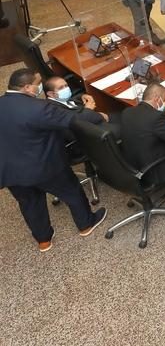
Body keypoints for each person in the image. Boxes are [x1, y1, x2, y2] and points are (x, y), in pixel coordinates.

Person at [0, 69, 107, 251]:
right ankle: (86, 224)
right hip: (44, 166)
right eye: (38, 83)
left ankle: (43, 240)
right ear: (27, 87)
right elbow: (73, 120)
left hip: (10, 171)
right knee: (71, 191)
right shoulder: (38, 108)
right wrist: (94, 113)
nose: (39, 87)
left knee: (29, 204)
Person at [119, 82, 165, 187]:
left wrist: (162, 115)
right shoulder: (157, 117)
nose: (164, 103)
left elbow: (144, 121)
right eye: (164, 100)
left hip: (132, 165)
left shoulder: (127, 112)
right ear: (156, 98)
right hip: (154, 169)